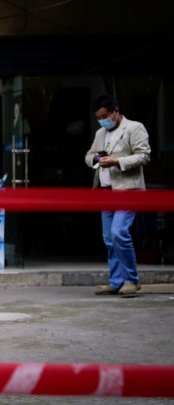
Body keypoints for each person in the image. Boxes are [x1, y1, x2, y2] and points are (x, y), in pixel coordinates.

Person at [85, 94, 150, 295]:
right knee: (109, 238)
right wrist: (96, 158)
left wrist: (116, 162)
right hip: (106, 191)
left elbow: (144, 155)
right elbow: (89, 156)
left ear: (116, 111)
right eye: (99, 117)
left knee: (119, 232)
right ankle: (116, 280)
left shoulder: (134, 128)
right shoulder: (100, 133)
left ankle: (132, 279)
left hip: (128, 190)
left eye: (105, 115)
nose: (102, 120)